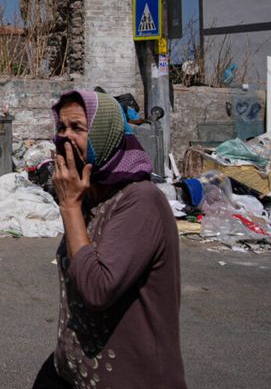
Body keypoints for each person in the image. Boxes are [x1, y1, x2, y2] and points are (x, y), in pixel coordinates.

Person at [32, 90, 186, 389]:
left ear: (105, 134)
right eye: (61, 128)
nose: (65, 138)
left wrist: (70, 206)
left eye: (77, 128)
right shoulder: (91, 197)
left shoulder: (141, 201)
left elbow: (97, 289)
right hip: (73, 374)